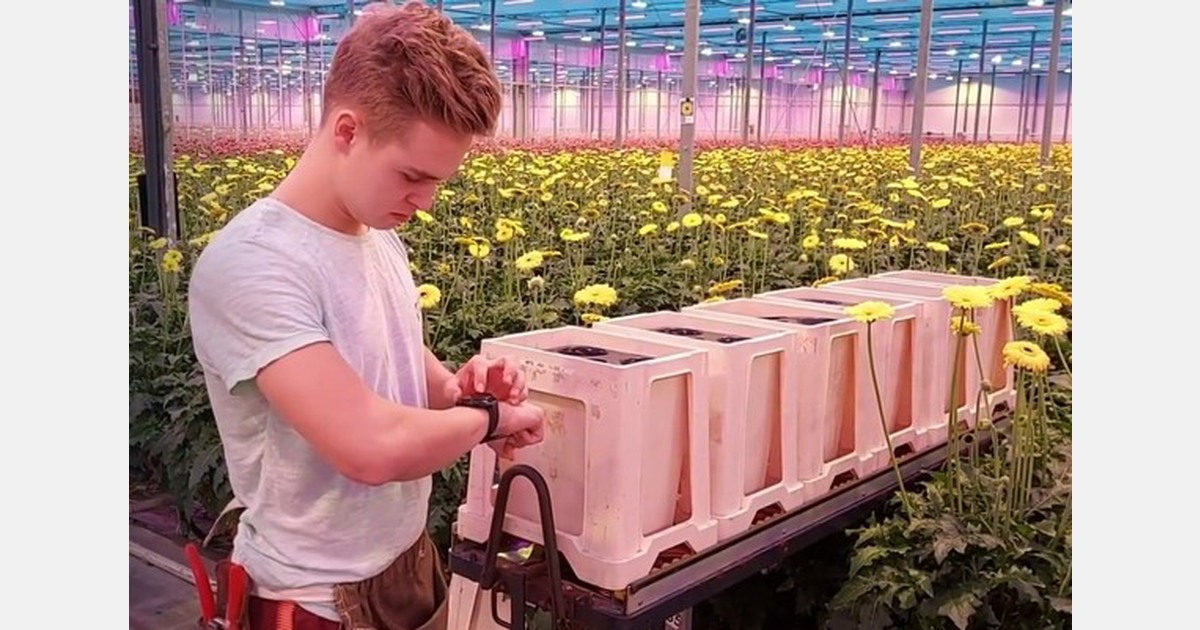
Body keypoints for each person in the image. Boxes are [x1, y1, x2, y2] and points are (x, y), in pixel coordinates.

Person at [186, 2, 545, 629]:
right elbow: (368, 448)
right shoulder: (254, 263)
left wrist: (455, 390)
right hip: (317, 598)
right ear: (348, 131)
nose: (425, 201)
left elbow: (389, 355)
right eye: (411, 175)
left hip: (406, 561)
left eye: (438, 181)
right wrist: (489, 420)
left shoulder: (375, 233)